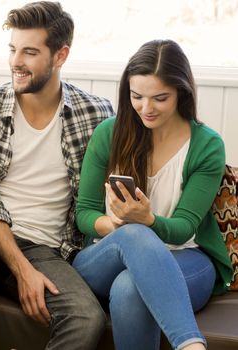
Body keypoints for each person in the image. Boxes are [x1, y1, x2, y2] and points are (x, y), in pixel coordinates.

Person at [0, 2, 114, 349]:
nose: (16, 61)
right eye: (13, 49)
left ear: (60, 56)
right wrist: (23, 272)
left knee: (86, 317)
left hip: (46, 247)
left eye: (30, 52)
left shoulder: (97, 114)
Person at [73, 39, 233, 350]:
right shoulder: (109, 133)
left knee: (130, 288)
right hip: (106, 255)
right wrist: (120, 226)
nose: (146, 108)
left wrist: (148, 220)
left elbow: (185, 226)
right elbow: (85, 213)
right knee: (134, 234)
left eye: (160, 98)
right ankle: (191, 345)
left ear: (181, 93)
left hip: (185, 257)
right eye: (137, 96)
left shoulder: (206, 145)